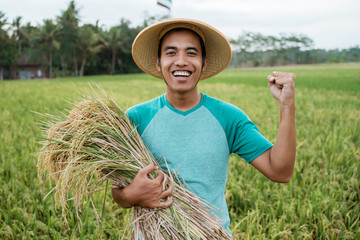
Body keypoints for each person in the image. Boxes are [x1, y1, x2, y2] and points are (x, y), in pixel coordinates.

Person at [111, 18, 296, 234]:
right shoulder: (135, 119)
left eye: (191, 53)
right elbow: (118, 192)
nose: (181, 61)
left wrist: (287, 105)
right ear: (158, 62)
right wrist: (130, 195)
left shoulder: (229, 117)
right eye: (171, 53)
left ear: (204, 63)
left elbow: (280, 171)